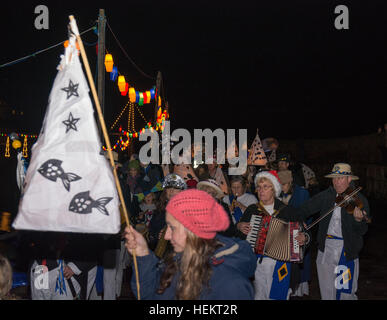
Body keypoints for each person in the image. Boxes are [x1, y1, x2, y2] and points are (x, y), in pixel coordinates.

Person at [124, 189, 257, 299]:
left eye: (172, 228)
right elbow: (148, 295)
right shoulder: (177, 262)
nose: (166, 235)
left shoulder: (229, 284)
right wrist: (143, 254)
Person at [296, 163, 370, 300]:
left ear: (349, 179)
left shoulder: (359, 200)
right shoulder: (326, 196)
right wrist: (299, 223)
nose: (336, 182)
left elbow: (362, 230)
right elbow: (304, 209)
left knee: (345, 292)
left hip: (346, 249)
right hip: (326, 248)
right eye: (334, 178)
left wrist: (358, 220)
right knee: (327, 290)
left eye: (340, 178)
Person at [236, 170, 308, 300]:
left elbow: (304, 232)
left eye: (265, 187)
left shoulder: (287, 211)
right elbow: (238, 236)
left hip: (281, 264)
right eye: (259, 187)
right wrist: (239, 226)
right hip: (257, 263)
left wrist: (304, 238)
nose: (261, 190)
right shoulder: (252, 210)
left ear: (274, 189)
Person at [278, 170, 311, 297]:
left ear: (291, 182)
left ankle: (299, 289)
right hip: (282, 233)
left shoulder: (302, 193)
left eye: (284, 184)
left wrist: (303, 225)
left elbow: (307, 211)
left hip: (297, 232)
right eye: (279, 184)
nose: (282, 187)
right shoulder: (277, 193)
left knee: (298, 263)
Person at [148, 174, 187, 253]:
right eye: (169, 188)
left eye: (175, 188)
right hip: (162, 255)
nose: (171, 191)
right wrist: (157, 235)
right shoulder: (159, 211)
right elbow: (151, 233)